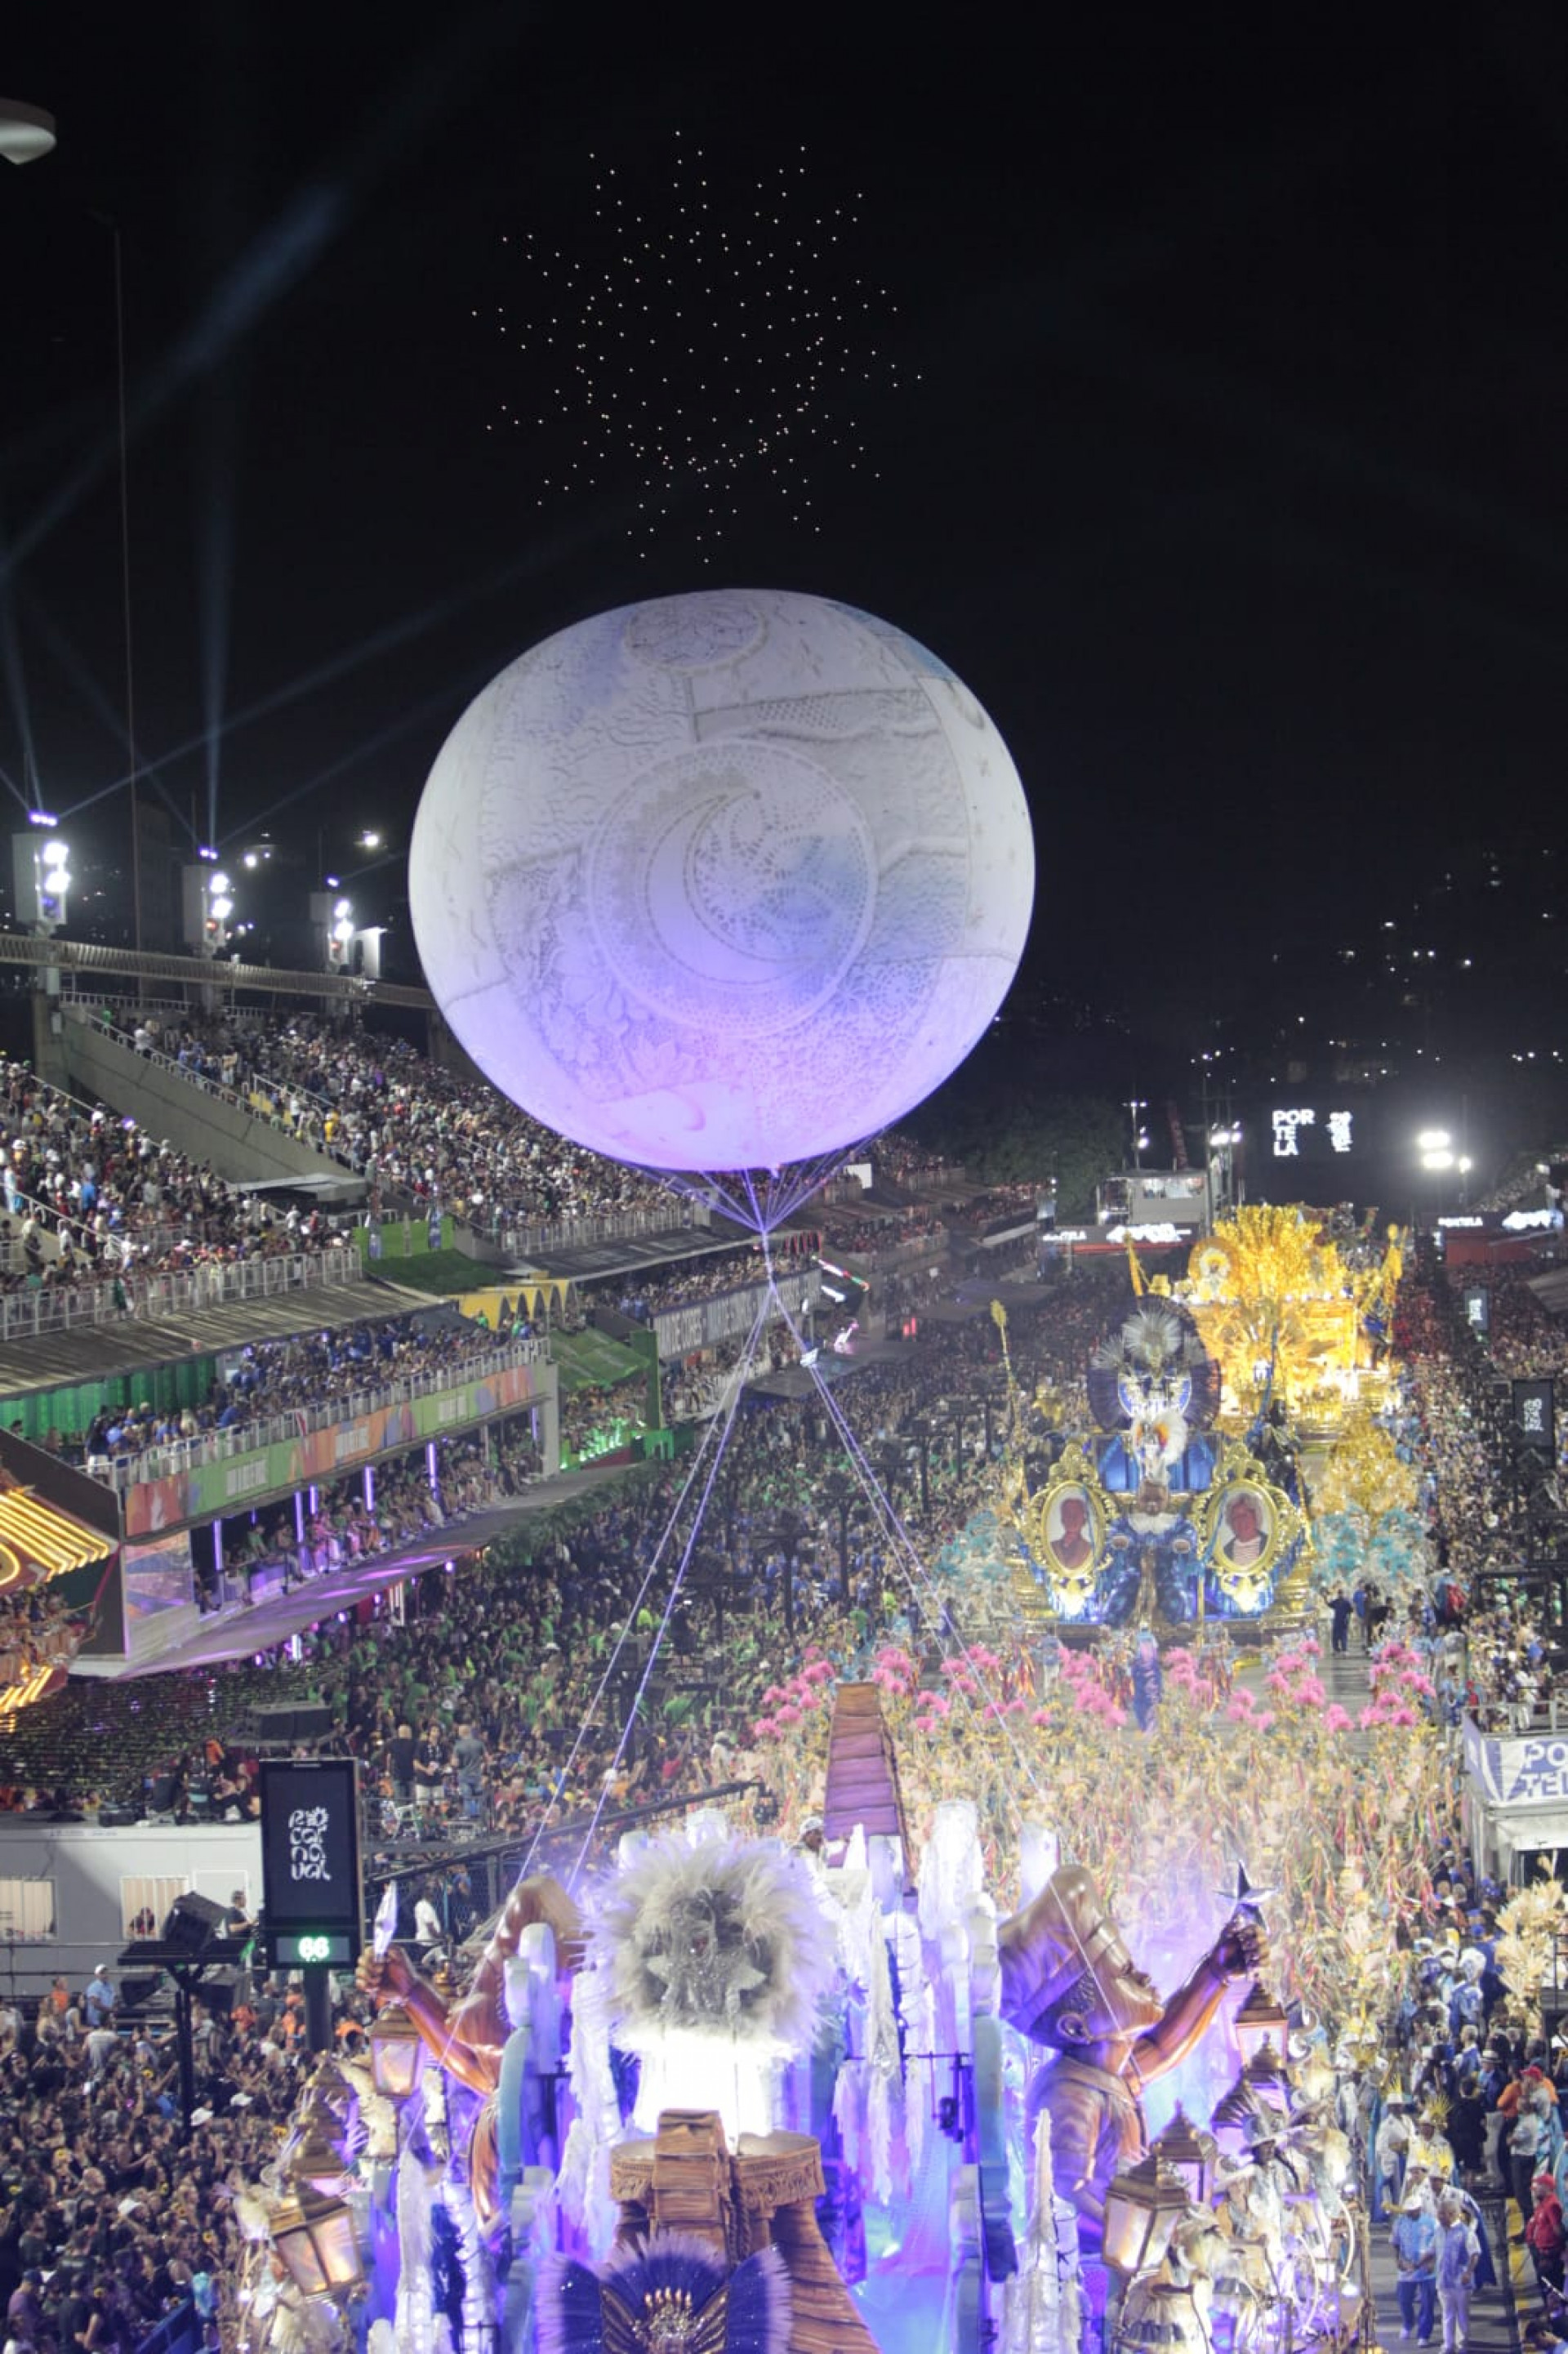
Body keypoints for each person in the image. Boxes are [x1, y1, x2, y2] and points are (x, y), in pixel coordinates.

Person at [1435, 2191, 1478, 2354]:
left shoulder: (1466, 2233)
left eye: (1442, 2213)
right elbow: (1435, 2251)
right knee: (1447, 2314)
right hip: (1443, 2281)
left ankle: (1462, 2345)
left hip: (1461, 2282)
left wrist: (1468, 2273)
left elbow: (1474, 2254)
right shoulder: (1439, 2231)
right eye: (1439, 2213)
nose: (1439, 2216)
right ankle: (1448, 2345)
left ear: (1452, 2214)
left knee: (1462, 2315)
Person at [1393, 2191, 1438, 2345]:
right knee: (1403, 2299)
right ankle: (1408, 2323)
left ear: (1420, 2209)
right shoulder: (1400, 2222)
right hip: (1407, 2267)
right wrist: (1398, 2260)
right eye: (1408, 2211)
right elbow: (1395, 2242)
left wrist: (1432, 2262)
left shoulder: (1432, 2223)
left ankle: (1424, 2334)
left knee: (1427, 2302)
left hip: (1426, 2268)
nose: (1410, 2214)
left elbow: (1439, 2243)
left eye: (1413, 2211)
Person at [1526, 2172, 1566, 2299]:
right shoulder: (1543, 2204)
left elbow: (1558, 2230)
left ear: (1547, 2187)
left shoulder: (1552, 2205)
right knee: (1545, 2286)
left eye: (1538, 2186)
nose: (1535, 2189)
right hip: (1542, 2252)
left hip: (1551, 2254)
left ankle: (1555, 2315)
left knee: (1552, 2287)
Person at [82, 1964, 115, 2029]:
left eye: (106, 1973)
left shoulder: (110, 1986)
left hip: (108, 2021)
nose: (105, 1975)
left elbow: (113, 1999)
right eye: (102, 1973)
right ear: (97, 1975)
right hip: (96, 2022)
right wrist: (110, 2010)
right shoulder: (93, 1987)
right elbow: (95, 2003)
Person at [1330, 1588, 1353, 1655]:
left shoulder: (1346, 1602)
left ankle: (1344, 1649)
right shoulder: (1336, 1602)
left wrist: (1348, 1619)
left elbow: (1351, 1611)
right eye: (1339, 1593)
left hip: (1343, 1621)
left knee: (1343, 1636)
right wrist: (1325, 1598)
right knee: (1335, 1636)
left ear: (1343, 1594)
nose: (1340, 1595)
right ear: (1338, 1594)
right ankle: (1336, 1649)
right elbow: (1329, 1605)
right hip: (1337, 1621)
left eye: (1341, 1593)